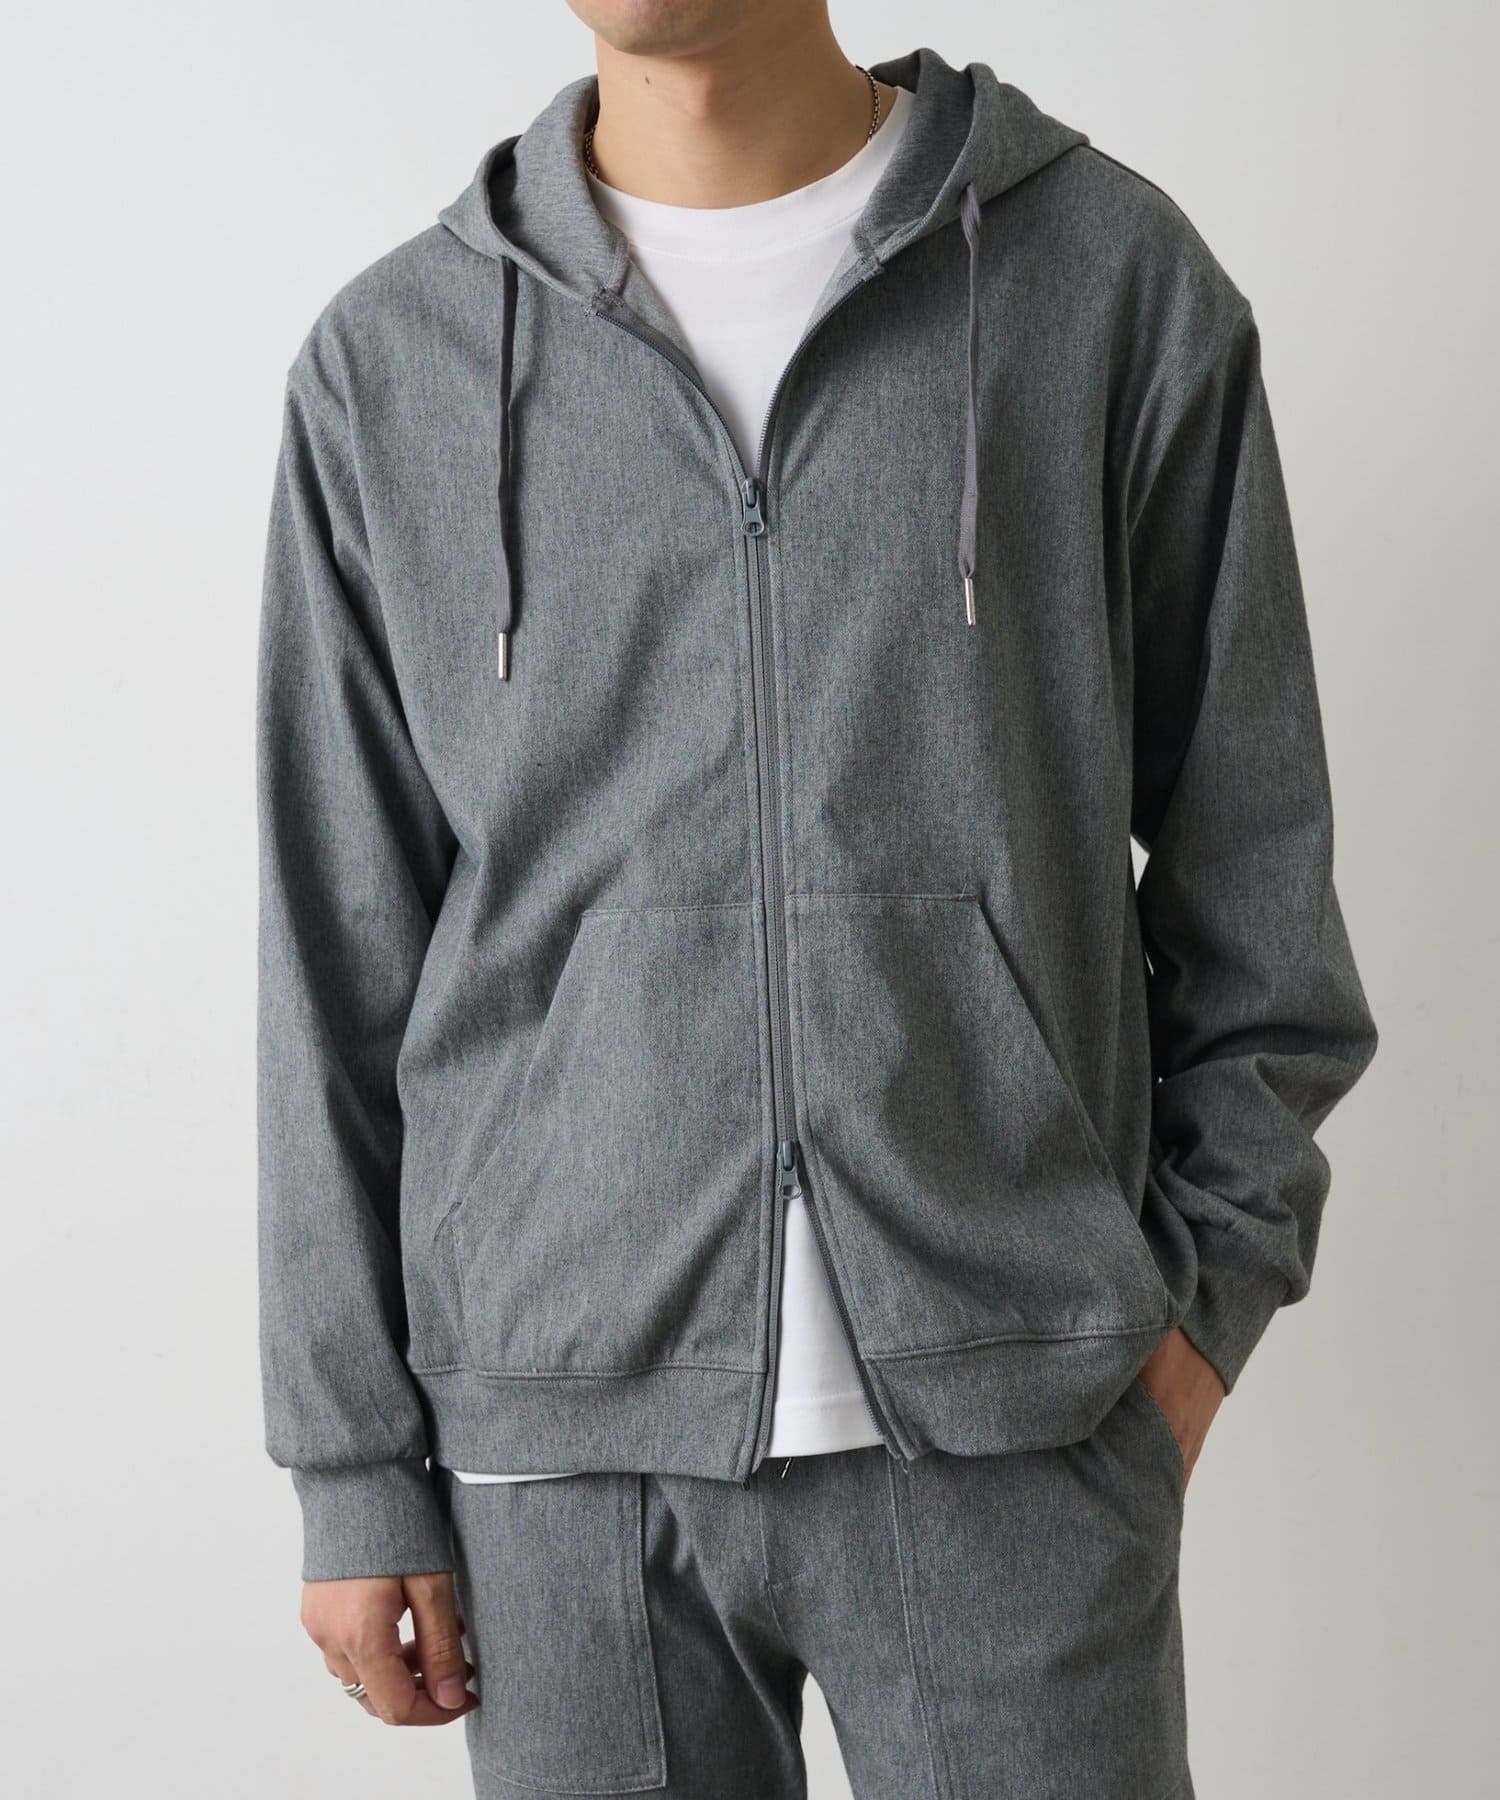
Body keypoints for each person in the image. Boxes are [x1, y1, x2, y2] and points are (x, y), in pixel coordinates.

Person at [256, 3, 1378, 1793]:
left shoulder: (1107, 283)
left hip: (1020, 1422)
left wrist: (1190, 1322)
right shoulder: (395, 360)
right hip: (563, 1467)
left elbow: (1259, 881)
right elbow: (337, 950)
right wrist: (352, 1461)